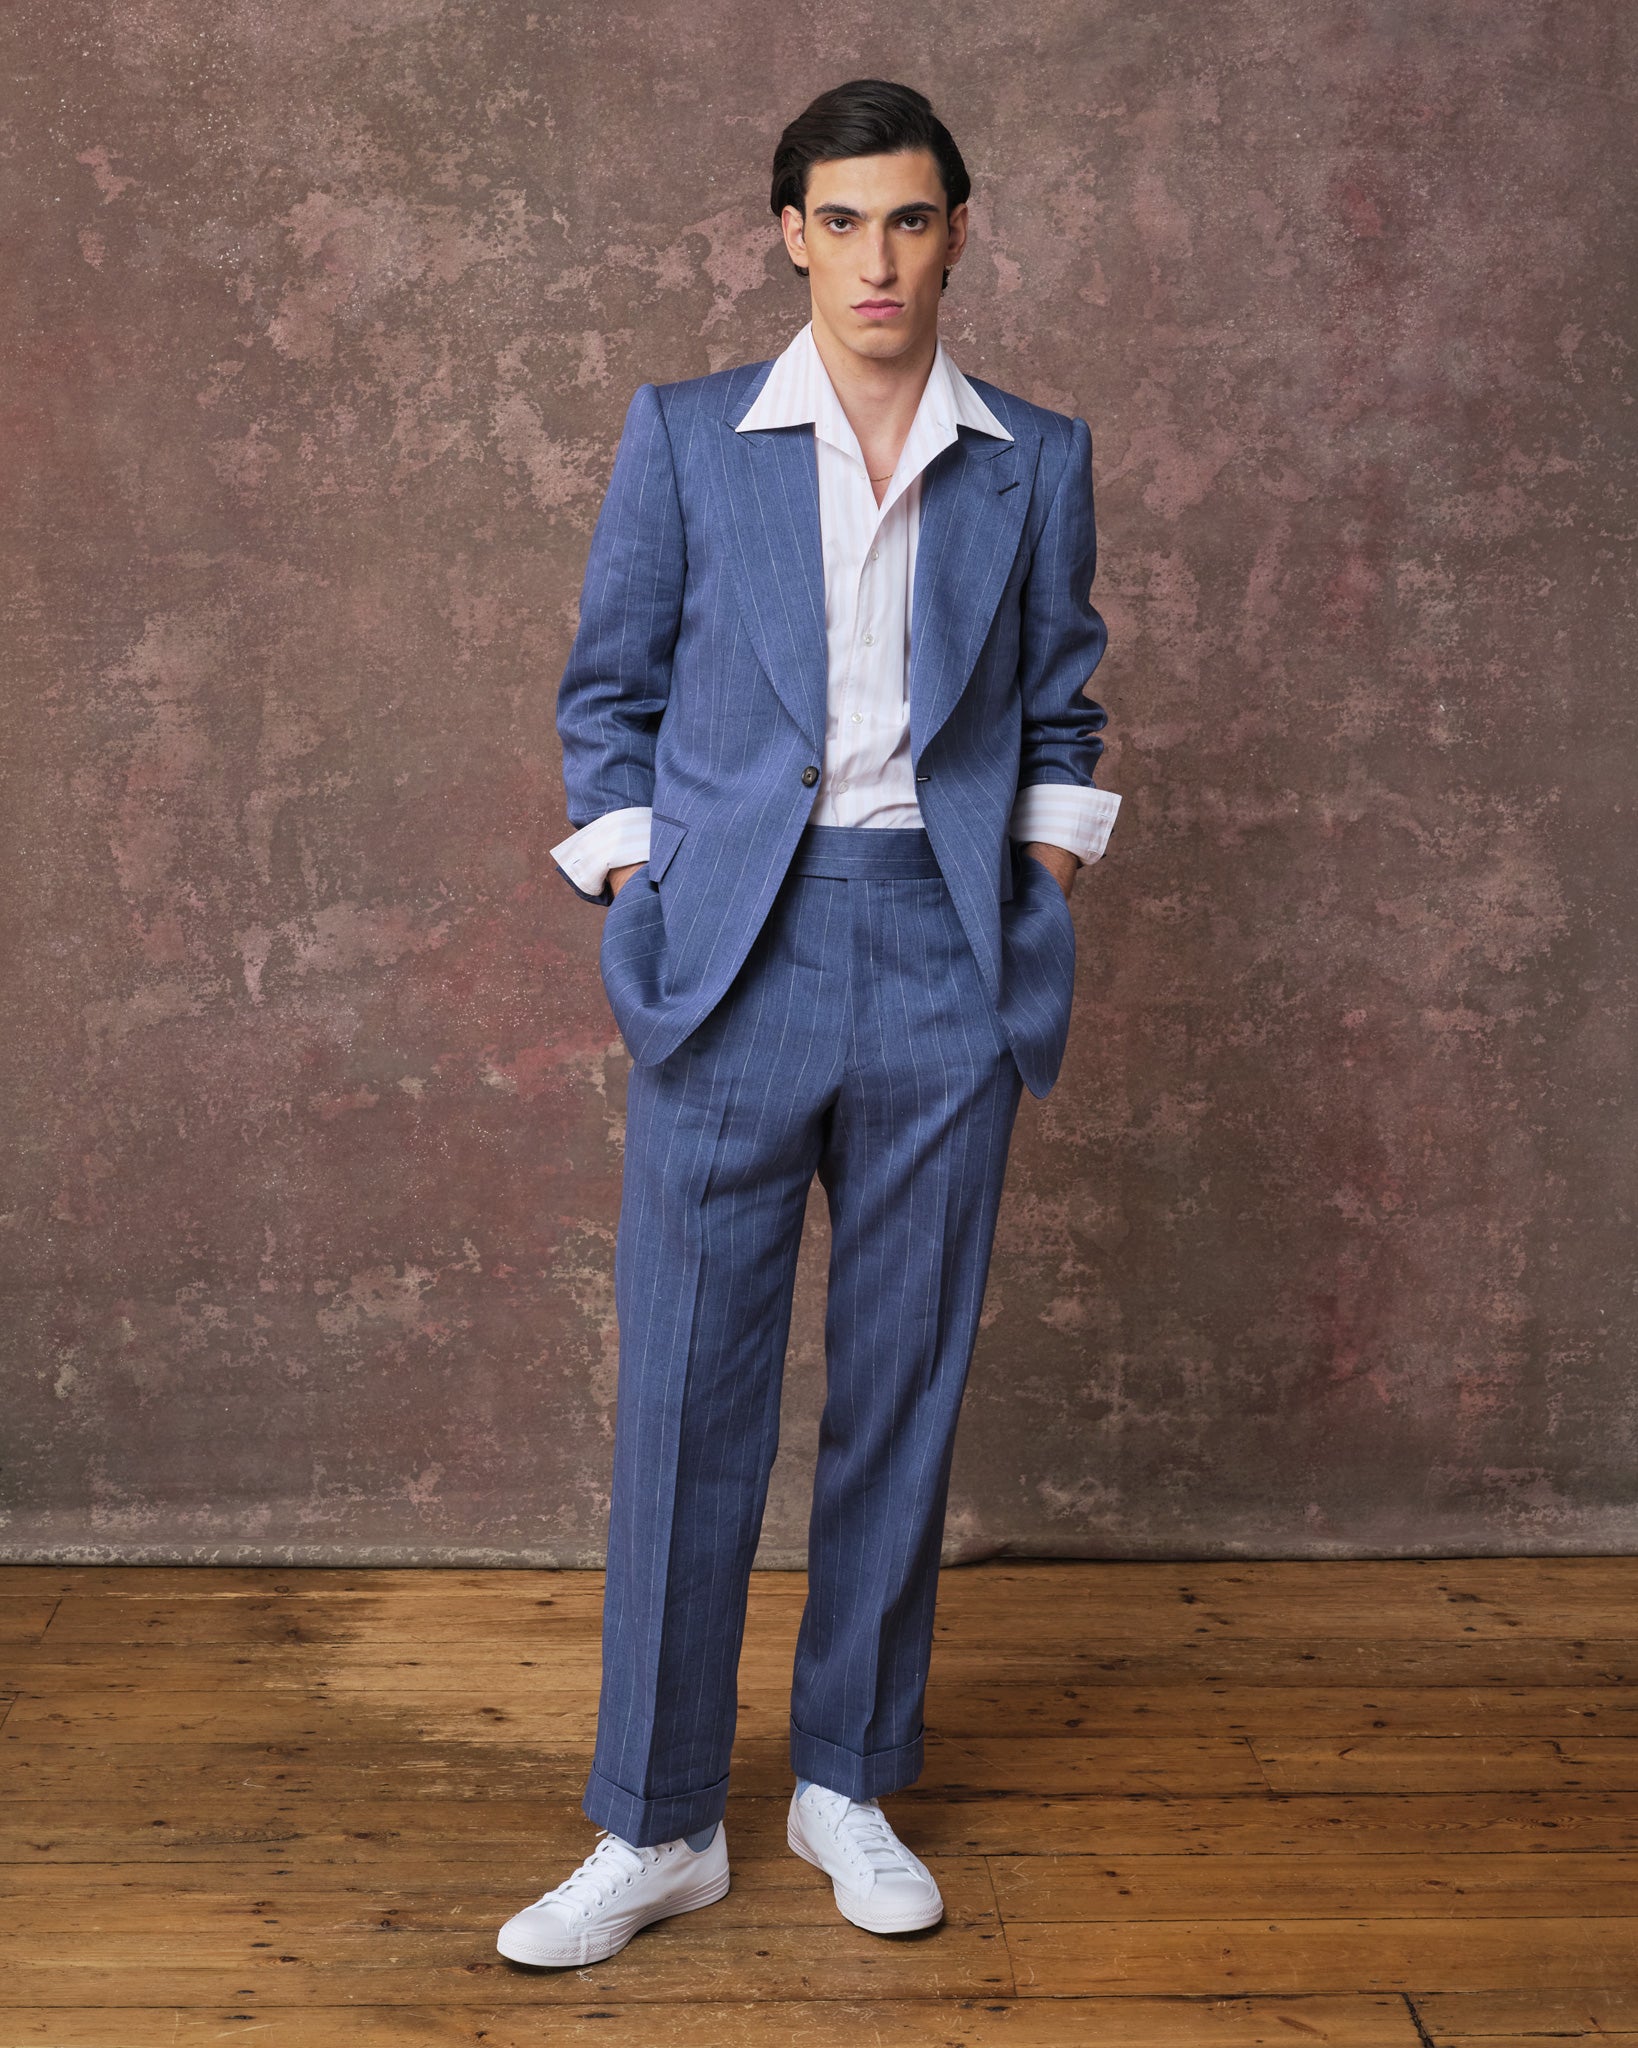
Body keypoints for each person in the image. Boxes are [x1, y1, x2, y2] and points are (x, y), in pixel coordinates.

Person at [497, 77, 1121, 1969]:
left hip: (942, 951)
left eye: (910, 219)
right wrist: (641, 894)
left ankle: (846, 1778)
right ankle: (657, 1820)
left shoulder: (1035, 457)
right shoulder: (689, 437)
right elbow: (607, 697)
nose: (877, 258)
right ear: (789, 234)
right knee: (686, 1395)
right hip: (731, 954)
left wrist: (1028, 890)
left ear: (956, 233)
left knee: (901, 1387)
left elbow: (1063, 708)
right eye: (841, 221)